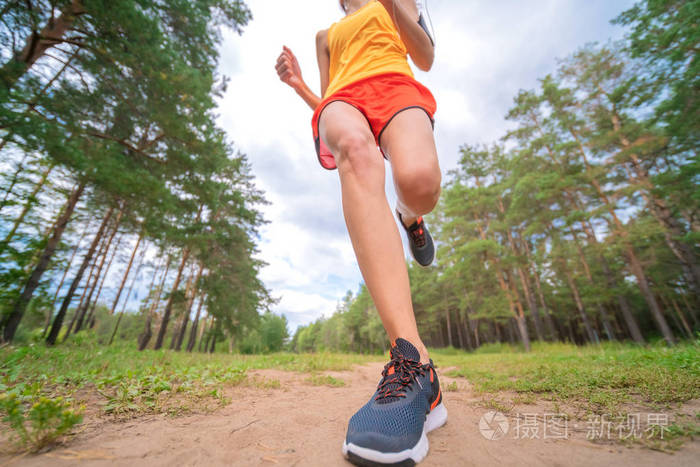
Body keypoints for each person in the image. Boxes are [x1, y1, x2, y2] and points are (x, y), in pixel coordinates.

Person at [275, 0, 446, 464]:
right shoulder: (326, 36)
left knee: (419, 182)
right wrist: (299, 88)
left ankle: (410, 215)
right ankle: (412, 363)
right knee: (354, 146)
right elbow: (330, 99)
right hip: (344, 103)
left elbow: (426, 57)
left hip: (396, 86)